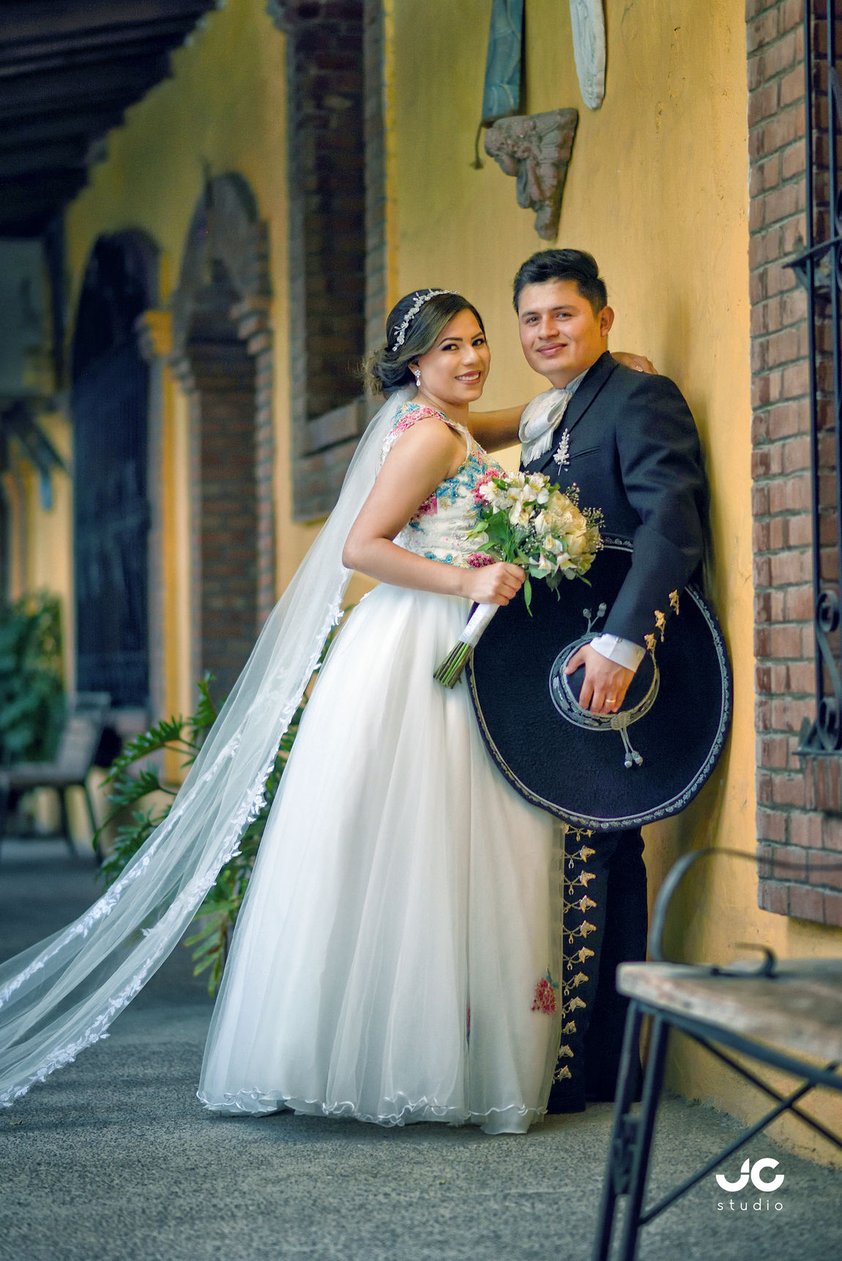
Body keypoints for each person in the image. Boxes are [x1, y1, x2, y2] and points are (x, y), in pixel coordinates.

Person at [0, 289, 567, 1134]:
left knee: (436, 844)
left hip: (441, 639)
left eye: (479, 341)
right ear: (414, 362)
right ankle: (408, 1059)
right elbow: (360, 547)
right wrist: (468, 579)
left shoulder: (440, 425)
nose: (471, 359)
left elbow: (480, 432)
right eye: (450, 347)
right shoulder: (423, 437)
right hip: (421, 643)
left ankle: (419, 1046)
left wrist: (563, 396)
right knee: (421, 842)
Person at [474, 248, 707, 1113]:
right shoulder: (549, 414)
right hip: (552, 671)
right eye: (531, 319)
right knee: (590, 845)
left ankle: (596, 1068)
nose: (545, 332)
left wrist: (622, 642)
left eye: (563, 315)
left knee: (599, 843)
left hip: (619, 667)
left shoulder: (639, 398)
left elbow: (669, 526)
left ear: (604, 318)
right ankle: (592, 1066)